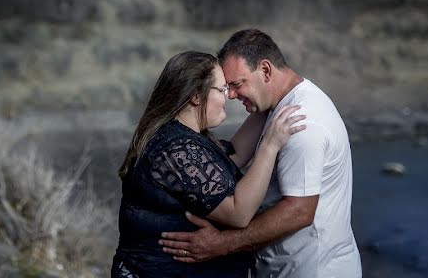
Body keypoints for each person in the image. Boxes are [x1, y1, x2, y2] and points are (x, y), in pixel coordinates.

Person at [159, 29, 362, 277]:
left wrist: (222, 244)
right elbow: (229, 159)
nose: (231, 95)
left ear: (265, 71)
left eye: (237, 84)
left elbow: (299, 211)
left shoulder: (301, 122)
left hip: (313, 269)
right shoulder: (274, 108)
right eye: (226, 88)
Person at [112, 50, 306, 277]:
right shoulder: (174, 149)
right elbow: (239, 213)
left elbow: (235, 155)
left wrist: (267, 95)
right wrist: (270, 146)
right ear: (196, 96)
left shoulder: (182, 138)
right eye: (223, 89)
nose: (229, 96)